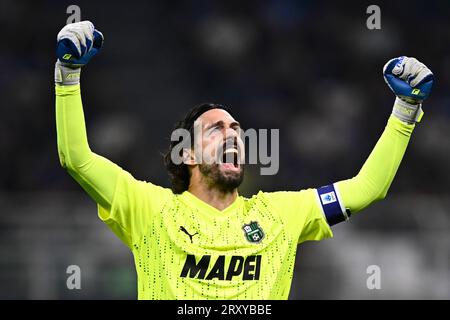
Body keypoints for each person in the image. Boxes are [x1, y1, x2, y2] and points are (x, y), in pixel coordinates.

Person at [54, 21, 434, 299]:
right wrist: (68, 76)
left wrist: (405, 111)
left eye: (236, 128)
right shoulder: (149, 210)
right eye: (216, 129)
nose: (233, 133)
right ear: (187, 153)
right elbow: (76, 159)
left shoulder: (281, 214)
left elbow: (368, 188)